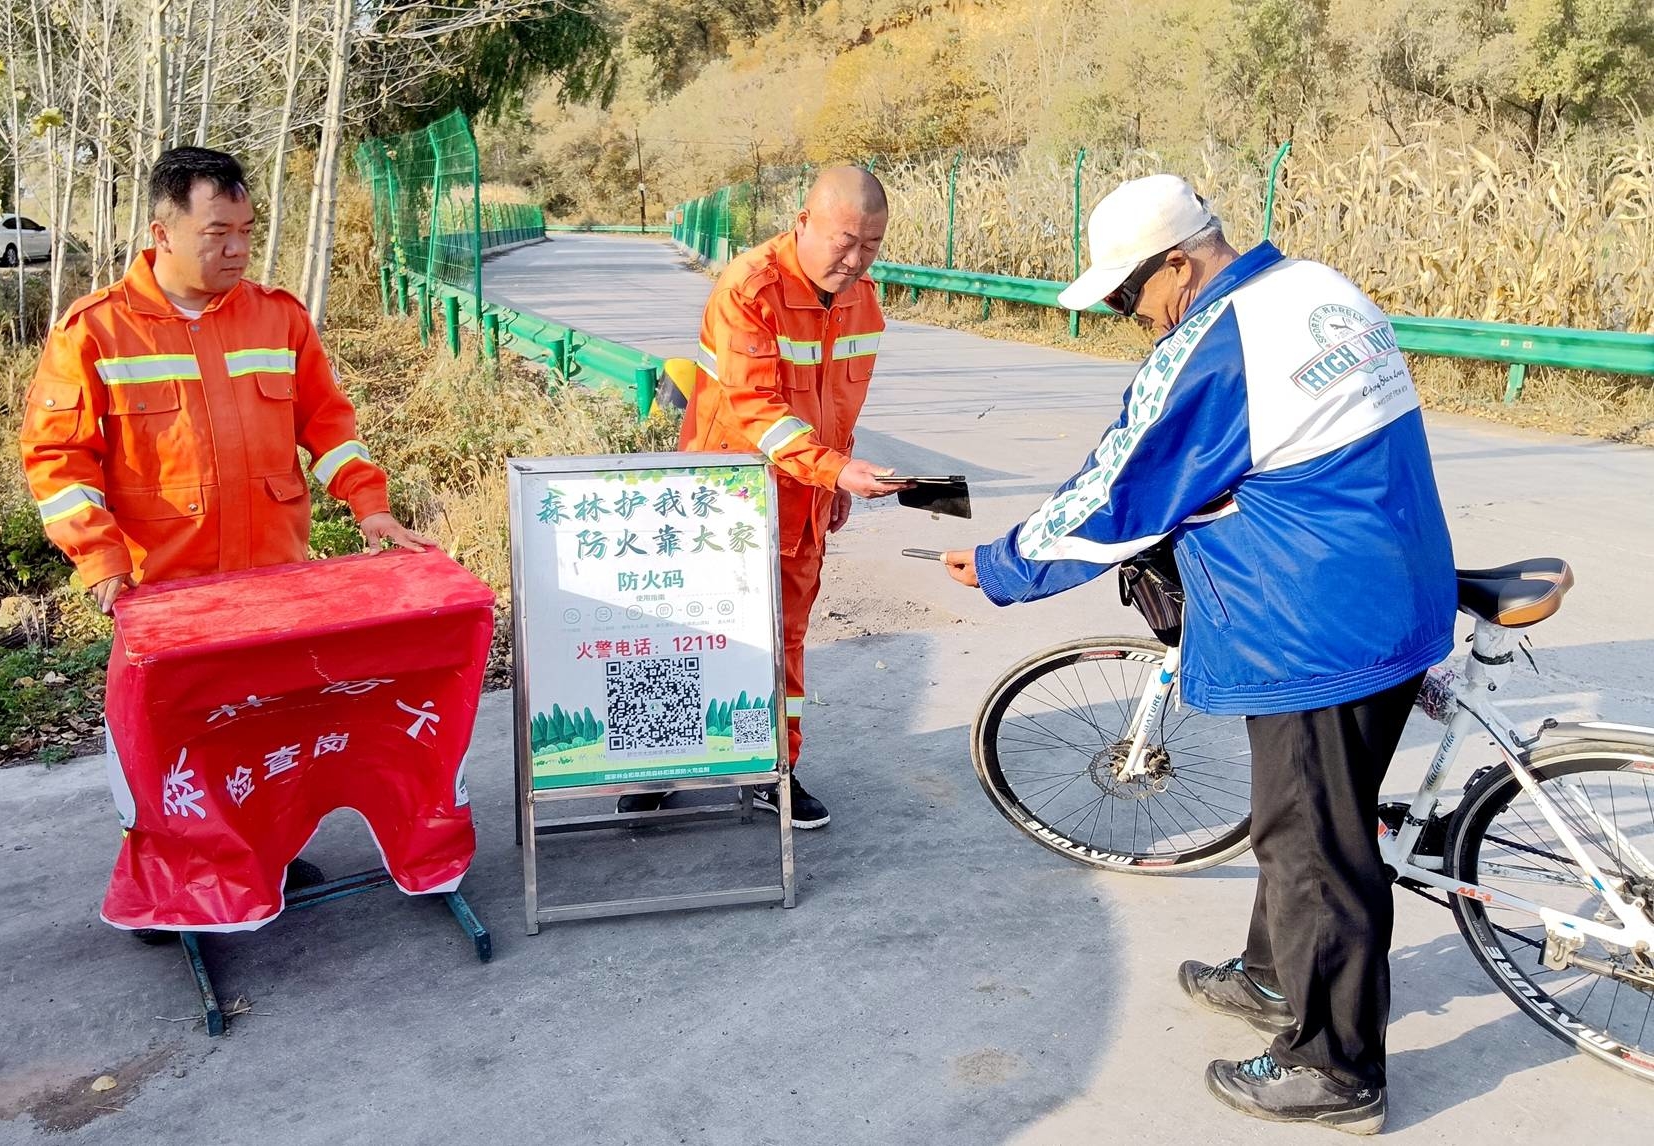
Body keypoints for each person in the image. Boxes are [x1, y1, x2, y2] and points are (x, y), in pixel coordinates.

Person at [941, 174, 1455, 1134]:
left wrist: (1003, 564)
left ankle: (1333, 1068)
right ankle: (1271, 975)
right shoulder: (1317, 288)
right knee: (1300, 817)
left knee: (1313, 847)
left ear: (1180, 260)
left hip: (1316, 625)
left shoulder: (1220, 344)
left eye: (1132, 294)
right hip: (1397, 590)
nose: (1135, 317)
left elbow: (1119, 487)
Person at [21, 146, 430, 614]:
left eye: (246, 231)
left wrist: (370, 504)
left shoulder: (280, 319)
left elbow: (328, 426)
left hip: (275, 577)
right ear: (163, 234)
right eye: (217, 233)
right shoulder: (95, 331)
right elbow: (58, 457)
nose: (238, 249)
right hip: (161, 592)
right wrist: (98, 554)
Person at [619, 166, 905, 829]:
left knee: (785, 642)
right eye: (843, 241)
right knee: (690, 633)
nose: (855, 259)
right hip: (726, 502)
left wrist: (835, 478)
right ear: (802, 223)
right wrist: (833, 470)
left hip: (803, 501)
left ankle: (775, 767)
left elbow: (839, 402)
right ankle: (660, 766)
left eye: (871, 245)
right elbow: (758, 412)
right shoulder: (748, 289)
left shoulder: (863, 302)